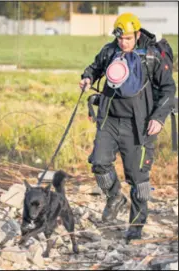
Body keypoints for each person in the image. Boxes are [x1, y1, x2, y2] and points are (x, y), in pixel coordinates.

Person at [79, 13, 176, 243]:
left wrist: (158, 118)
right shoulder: (110, 51)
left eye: (129, 39)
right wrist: (87, 78)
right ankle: (115, 198)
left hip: (139, 125)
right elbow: (94, 67)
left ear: (138, 35)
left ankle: (136, 226)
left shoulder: (151, 57)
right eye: (120, 38)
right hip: (109, 120)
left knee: (138, 179)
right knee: (99, 163)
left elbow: (168, 89)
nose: (123, 42)